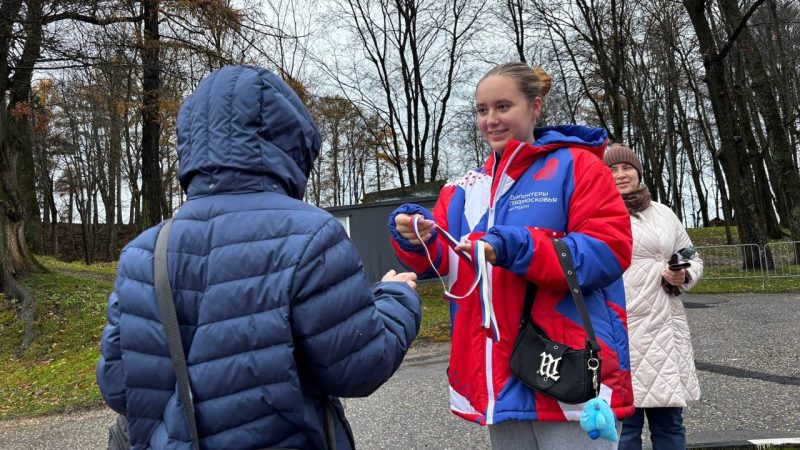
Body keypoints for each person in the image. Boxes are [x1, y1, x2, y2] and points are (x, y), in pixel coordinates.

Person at [96, 65, 422, 450]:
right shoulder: (311, 234)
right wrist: (397, 298)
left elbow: (118, 384)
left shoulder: (143, 251)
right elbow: (359, 367)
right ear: (292, 142)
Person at [388, 62, 634, 449]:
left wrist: (513, 247)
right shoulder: (464, 188)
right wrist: (415, 238)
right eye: (482, 110)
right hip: (497, 376)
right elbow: (441, 262)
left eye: (503, 107)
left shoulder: (578, 166)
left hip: (564, 371)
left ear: (535, 107)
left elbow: (607, 250)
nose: (491, 120)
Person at [604, 143, 703, 450]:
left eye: (626, 168)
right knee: (626, 426)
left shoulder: (663, 213)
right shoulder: (597, 214)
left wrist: (682, 274)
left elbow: (692, 256)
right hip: (622, 327)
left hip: (665, 330)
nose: (621, 175)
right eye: (613, 170)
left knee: (670, 424)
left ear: (638, 171)